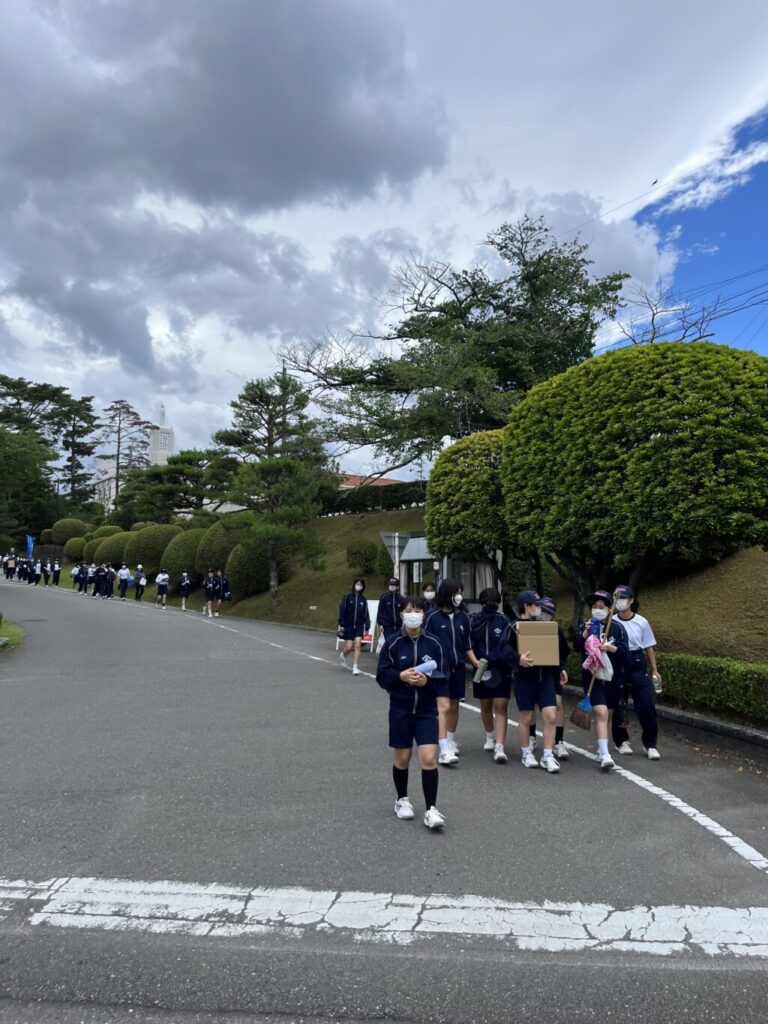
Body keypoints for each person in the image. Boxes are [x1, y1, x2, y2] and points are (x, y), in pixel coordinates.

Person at [376, 595, 447, 830]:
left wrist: (427, 681)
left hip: (427, 711)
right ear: (401, 615)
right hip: (401, 710)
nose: (413, 615)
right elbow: (382, 677)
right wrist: (401, 676)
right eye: (408, 611)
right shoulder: (393, 643)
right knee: (403, 759)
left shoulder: (434, 643)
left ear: (424, 614)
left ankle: (431, 809)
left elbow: (444, 676)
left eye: (417, 610)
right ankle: (402, 799)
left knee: (429, 758)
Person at [504, 590, 561, 773]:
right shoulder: (513, 627)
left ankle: (548, 755)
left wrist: (560, 669)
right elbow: (503, 650)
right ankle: (526, 753)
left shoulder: (545, 625)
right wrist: (518, 658)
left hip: (545, 678)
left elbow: (555, 649)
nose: (538, 608)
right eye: (535, 605)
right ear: (526, 606)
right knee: (526, 718)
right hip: (524, 679)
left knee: (551, 716)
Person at [425, 580, 479, 766]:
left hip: (458, 667)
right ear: (447, 594)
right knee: (444, 706)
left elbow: (467, 644)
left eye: (460, 593)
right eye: (456, 593)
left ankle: (449, 740)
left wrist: (475, 661)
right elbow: (425, 643)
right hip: (439, 669)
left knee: (454, 706)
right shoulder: (432, 617)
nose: (459, 596)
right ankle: (443, 749)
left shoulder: (463, 617)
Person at [571, 590, 627, 770]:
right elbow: (576, 645)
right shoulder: (586, 625)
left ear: (610, 609)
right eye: (594, 607)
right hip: (592, 678)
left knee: (607, 715)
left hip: (612, 678)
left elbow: (624, 651)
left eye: (601, 607)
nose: (597, 610)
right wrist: (585, 633)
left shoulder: (617, 628)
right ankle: (605, 754)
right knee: (601, 713)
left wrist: (610, 648)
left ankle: (601, 749)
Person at [611, 585, 662, 760]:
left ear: (631, 600)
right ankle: (621, 741)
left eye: (623, 598)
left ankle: (650, 744)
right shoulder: (611, 622)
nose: (619, 602)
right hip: (618, 660)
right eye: (616, 598)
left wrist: (654, 670)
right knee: (619, 704)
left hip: (637, 661)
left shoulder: (642, 622)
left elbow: (649, 646)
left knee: (647, 705)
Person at [470, 587, 513, 763]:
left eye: (494, 602)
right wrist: (476, 660)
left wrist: (500, 658)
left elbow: (508, 643)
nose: (491, 605)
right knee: (485, 704)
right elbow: (470, 642)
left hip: (501, 668)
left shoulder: (503, 620)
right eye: (487, 602)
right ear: (482, 603)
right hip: (481, 667)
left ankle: (500, 747)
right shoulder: (474, 620)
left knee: (501, 706)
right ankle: (490, 736)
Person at [531, 595, 571, 761]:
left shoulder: (556, 630)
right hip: (531, 671)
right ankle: (531, 736)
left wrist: (562, 668)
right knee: (530, 704)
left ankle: (558, 741)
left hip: (552, 671)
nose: (544, 615)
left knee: (557, 704)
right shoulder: (527, 627)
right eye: (542, 611)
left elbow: (564, 652)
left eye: (548, 613)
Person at [338, 577, 370, 677]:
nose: (359, 586)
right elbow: (342, 610)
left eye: (361, 584)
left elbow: (366, 613)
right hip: (348, 626)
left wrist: (367, 627)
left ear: (363, 587)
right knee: (349, 647)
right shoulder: (347, 597)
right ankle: (343, 655)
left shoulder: (363, 599)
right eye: (357, 584)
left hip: (359, 626)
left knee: (357, 645)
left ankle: (355, 667)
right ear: (354, 584)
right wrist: (341, 624)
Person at [376, 577, 405, 646]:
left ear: (397, 586)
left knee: (397, 642)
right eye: (390, 584)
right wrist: (380, 624)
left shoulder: (401, 598)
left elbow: (403, 611)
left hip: (398, 625)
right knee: (389, 642)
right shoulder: (384, 597)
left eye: (393, 585)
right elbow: (380, 610)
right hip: (387, 625)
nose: (391, 586)